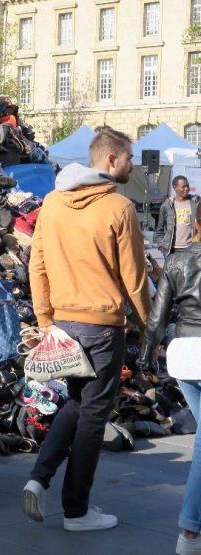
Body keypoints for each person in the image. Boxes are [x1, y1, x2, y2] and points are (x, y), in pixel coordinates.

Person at [21, 128, 152, 531]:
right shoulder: (119, 207)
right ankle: (76, 511)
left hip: (63, 322)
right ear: (110, 160)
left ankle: (38, 479)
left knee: (77, 404)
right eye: (130, 158)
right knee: (94, 416)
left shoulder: (54, 203)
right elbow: (134, 277)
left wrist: (45, 321)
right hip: (102, 325)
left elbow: (36, 264)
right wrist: (148, 326)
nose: (133, 165)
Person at [137, 212, 201, 555]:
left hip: (186, 356)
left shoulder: (176, 261)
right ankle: (189, 532)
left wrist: (145, 359)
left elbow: (157, 317)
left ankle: (191, 534)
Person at [155, 175, 201, 257]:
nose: (186, 189)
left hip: (190, 248)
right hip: (171, 250)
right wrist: (162, 246)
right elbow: (159, 230)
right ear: (175, 187)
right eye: (183, 187)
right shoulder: (166, 206)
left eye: (187, 186)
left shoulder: (195, 202)